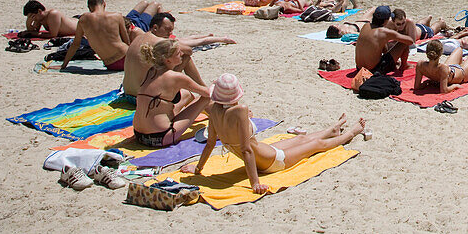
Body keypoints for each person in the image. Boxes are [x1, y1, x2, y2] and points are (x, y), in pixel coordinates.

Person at [182, 74, 365, 192]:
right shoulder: (239, 111)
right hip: (270, 162)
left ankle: (332, 130)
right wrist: (254, 183)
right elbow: (246, 150)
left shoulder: (213, 110)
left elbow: (211, 142)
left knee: (301, 138)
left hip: (264, 151)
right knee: (317, 146)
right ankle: (351, 133)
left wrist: (198, 169)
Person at [123, 12, 235, 98]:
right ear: (155, 28)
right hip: (141, 96)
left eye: (171, 30)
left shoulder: (139, 37)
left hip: (127, 92)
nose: (170, 33)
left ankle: (202, 87)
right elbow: (188, 50)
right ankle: (203, 87)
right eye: (167, 29)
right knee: (185, 59)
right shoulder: (159, 42)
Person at [132, 40, 211, 148]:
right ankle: (220, 120)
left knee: (186, 94)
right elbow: (207, 93)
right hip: (161, 137)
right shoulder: (176, 77)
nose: (182, 54)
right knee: (205, 98)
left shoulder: (151, 71)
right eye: (178, 53)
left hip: (139, 135)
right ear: (168, 60)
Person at [58, 0, 138, 71]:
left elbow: (75, 44)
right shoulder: (116, 16)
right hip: (127, 58)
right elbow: (127, 41)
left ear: (89, 7)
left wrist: (64, 65)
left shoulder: (83, 19)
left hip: (111, 64)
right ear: (104, 4)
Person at [354, 6, 415, 73]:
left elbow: (384, 49)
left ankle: (398, 63)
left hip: (359, 68)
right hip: (374, 70)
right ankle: (404, 65)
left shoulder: (365, 26)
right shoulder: (384, 32)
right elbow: (410, 41)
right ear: (386, 20)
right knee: (403, 42)